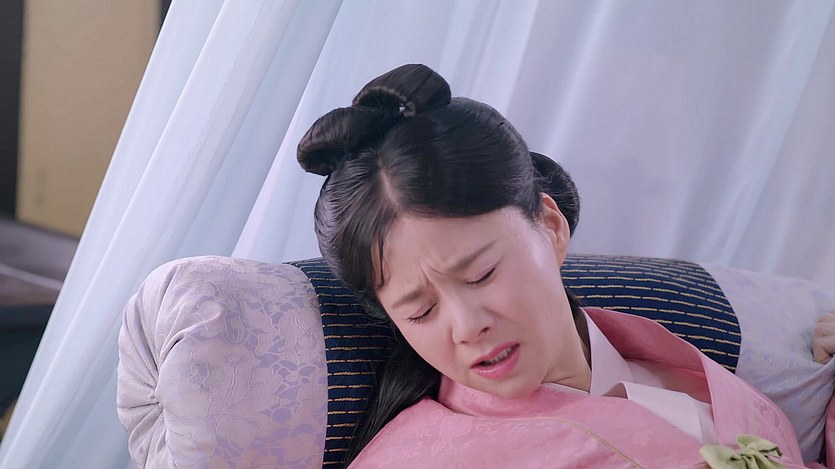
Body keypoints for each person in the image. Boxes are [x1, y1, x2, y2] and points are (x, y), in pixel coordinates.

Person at [297, 64, 813, 468]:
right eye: (420, 311)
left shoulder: (684, 367)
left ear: (550, 225)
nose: (467, 326)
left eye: (481, 275)